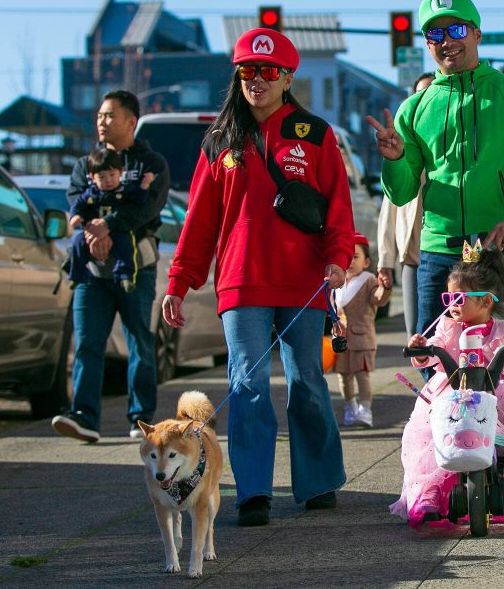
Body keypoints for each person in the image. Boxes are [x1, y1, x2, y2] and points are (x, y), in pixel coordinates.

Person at [161, 28, 354, 527]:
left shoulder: (316, 134)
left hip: (303, 279)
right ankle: (253, 492)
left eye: (270, 71)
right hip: (241, 281)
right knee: (246, 383)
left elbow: (337, 207)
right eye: (248, 70)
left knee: (306, 380)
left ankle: (317, 483)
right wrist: (179, 282)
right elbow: (199, 221)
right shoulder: (220, 140)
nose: (258, 80)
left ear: (288, 77)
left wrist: (337, 257)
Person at [368, 0, 504, 338]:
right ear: (427, 43)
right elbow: (401, 192)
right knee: (432, 356)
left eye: (456, 30)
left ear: (476, 34)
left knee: (501, 354)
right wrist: (395, 160)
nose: (446, 41)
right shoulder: (413, 108)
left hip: (501, 248)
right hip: (439, 250)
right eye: (435, 33)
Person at [390, 246, 504, 527]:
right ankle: (428, 489)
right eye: (449, 297)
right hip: (454, 390)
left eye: (460, 298)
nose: (452, 304)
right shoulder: (446, 327)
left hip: (499, 388)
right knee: (426, 422)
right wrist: (421, 350)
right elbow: (433, 351)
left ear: (486, 302)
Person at [51, 89, 170, 443]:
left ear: (131, 121)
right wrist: (93, 230)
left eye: (110, 116)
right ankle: (84, 416)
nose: (102, 122)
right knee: (87, 341)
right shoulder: (84, 164)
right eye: (100, 115)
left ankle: (141, 418)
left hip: (135, 269)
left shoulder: (151, 163)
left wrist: (110, 225)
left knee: (139, 341)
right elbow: (75, 200)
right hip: (91, 271)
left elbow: (148, 208)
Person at [376, 72, 434, 342]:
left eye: (432, 94)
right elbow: (390, 206)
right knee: (416, 336)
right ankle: (430, 385)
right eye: (419, 95)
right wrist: (385, 261)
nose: (425, 100)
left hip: (452, 252)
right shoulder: (401, 148)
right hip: (412, 256)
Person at [66, 148, 155, 292]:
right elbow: (78, 204)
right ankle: (76, 276)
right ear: (92, 177)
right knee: (77, 241)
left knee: (126, 245)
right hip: (93, 231)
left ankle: (125, 276)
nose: (108, 180)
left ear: (121, 173)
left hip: (118, 230)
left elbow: (139, 201)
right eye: (102, 177)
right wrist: (75, 216)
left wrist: (144, 186)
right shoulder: (91, 193)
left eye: (112, 175)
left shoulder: (125, 190)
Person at [332, 232, 390, 428]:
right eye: (347, 256)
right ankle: (350, 406)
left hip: (362, 337)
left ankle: (365, 409)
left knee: (362, 375)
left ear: (366, 262)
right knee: (344, 376)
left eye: (355, 257)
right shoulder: (338, 283)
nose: (350, 261)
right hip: (341, 338)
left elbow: (378, 298)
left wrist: (385, 287)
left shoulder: (369, 280)